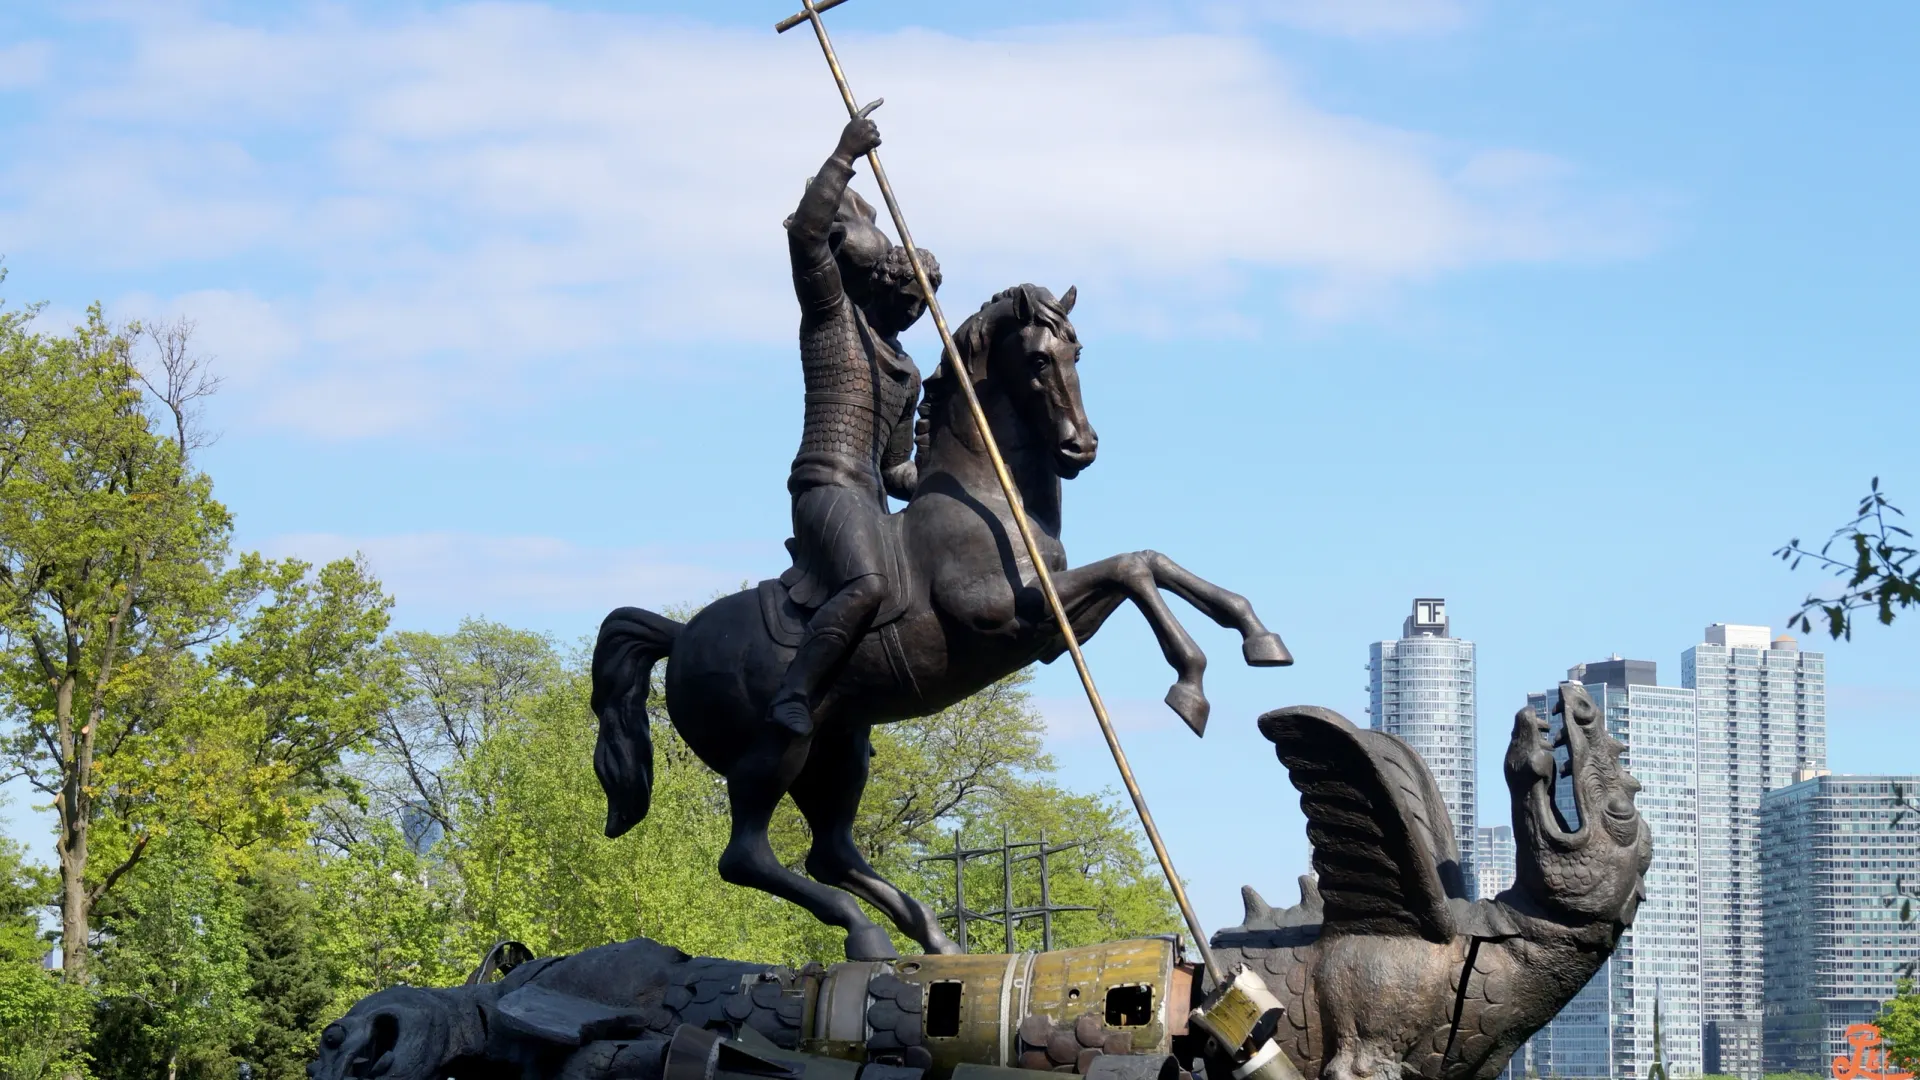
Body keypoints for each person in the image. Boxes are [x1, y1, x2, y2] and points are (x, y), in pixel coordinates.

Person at [770, 114, 941, 738]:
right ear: (881, 282)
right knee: (868, 584)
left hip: (871, 499)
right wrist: (844, 154)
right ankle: (795, 691)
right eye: (908, 295)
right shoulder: (830, 313)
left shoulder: (906, 371)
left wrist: (940, 484)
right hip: (826, 486)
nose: (915, 310)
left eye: (923, 304)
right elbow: (808, 236)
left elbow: (895, 469)